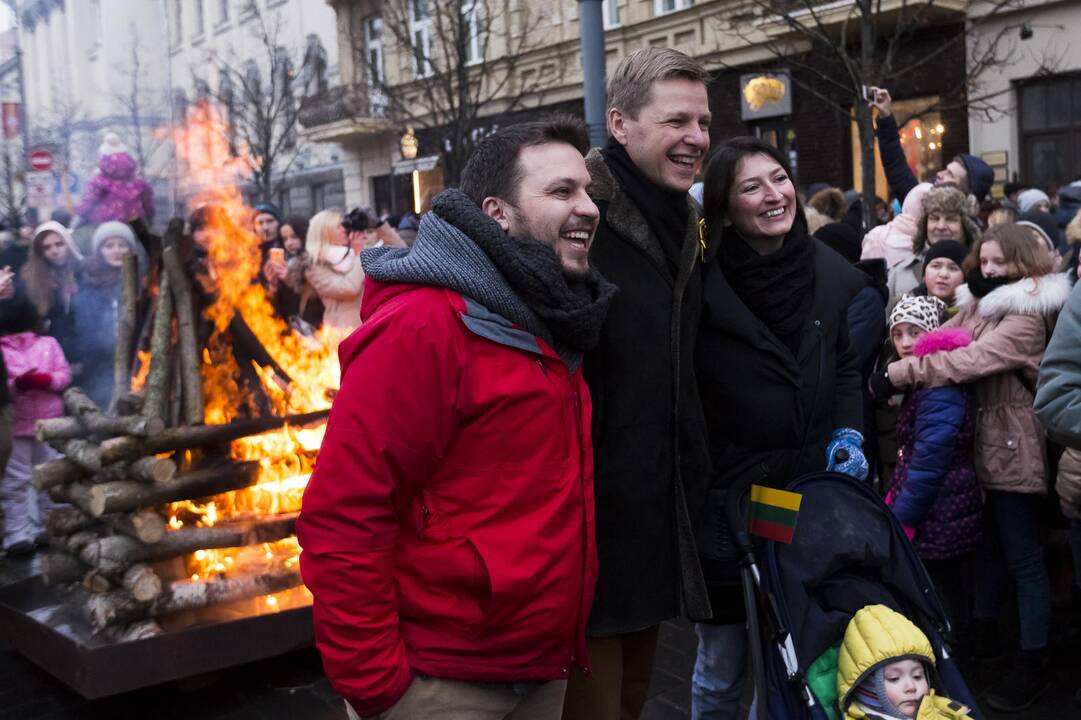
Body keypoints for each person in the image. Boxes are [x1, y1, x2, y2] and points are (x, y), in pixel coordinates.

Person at [295, 116, 615, 720]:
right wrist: (381, 689)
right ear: (496, 212)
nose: (588, 208)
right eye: (561, 192)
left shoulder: (548, 314)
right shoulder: (424, 325)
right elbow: (342, 517)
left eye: (587, 191)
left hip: (540, 667)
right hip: (443, 685)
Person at [694, 136, 866, 719]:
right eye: (752, 186)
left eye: (779, 178)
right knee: (722, 665)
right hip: (728, 499)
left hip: (802, 493)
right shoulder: (698, 284)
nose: (775, 196)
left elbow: (844, 365)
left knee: (788, 655)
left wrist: (849, 434)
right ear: (724, 206)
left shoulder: (826, 272)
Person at [568, 47, 713, 720]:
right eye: (675, 120)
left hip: (651, 507)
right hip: (584, 519)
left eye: (703, 122)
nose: (695, 139)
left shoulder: (680, 217)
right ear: (620, 124)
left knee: (631, 697)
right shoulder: (576, 213)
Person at [882, 223, 1072, 711]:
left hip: (1013, 448)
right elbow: (943, 339)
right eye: (982, 262)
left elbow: (969, 359)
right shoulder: (982, 303)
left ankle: (1035, 662)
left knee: (1024, 558)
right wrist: (914, 344)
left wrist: (900, 373)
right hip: (985, 447)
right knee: (990, 554)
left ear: (1022, 264)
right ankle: (990, 643)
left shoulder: (1027, 313)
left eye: (997, 263)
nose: (986, 270)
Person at [884, 296, 980, 638]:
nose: (905, 343)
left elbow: (930, 460)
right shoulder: (923, 380)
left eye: (914, 332)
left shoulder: (938, 385)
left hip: (941, 507)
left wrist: (903, 515)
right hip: (938, 504)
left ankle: (952, 663)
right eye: (898, 334)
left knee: (942, 593)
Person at [0, 293, 72, 554]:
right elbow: (3, 387)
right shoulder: (1, 350)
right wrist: (16, 385)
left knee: (52, 476)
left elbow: (64, 375)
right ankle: (17, 535)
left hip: (49, 423)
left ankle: (53, 526)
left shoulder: (48, 344)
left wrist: (46, 380)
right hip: (18, 426)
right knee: (15, 482)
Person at [836, 605, 975, 719]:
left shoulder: (944, 711)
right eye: (894, 678)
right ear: (866, 688)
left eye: (917, 676)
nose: (911, 687)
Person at [870, 89, 994, 205]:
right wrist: (885, 117)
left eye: (950, 175)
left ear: (967, 194)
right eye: (946, 169)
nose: (940, 174)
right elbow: (897, 170)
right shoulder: (922, 207)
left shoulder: (972, 228)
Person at [74, 222, 147, 409]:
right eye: (109, 246)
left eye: (122, 245)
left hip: (137, 363)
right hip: (100, 366)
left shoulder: (144, 283)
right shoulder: (89, 284)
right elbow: (84, 331)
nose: (116, 251)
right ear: (99, 251)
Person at [887, 186, 980, 308]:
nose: (941, 226)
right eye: (934, 218)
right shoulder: (901, 273)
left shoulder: (982, 270)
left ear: (966, 226)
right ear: (925, 224)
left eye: (951, 219)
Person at [20, 222, 83, 368]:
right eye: (46, 247)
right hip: (50, 358)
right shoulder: (31, 280)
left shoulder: (84, 272)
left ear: (68, 243)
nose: (54, 251)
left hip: (85, 352)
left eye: (59, 244)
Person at [299, 210, 364, 330]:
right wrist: (360, 254)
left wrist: (379, 225)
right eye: (339, 226)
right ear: (324, 233)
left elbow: (401, 249)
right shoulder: (314, 265)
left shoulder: (353, 253)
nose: (344, 229)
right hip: (345, 330)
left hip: (370, 323)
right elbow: (348, 288)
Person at [74, 132, 155, 226]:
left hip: (107, 226)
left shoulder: (98, 181)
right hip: (135, 225)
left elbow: (87, 204)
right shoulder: (140, 182)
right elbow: (148, 206)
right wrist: (149, 221)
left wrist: (76, 220)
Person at [910, 240, 968, 314]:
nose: (943, 274)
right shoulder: (906, 312)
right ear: (924, 275)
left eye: (953, 268)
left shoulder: (972, 316)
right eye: (936, 266)